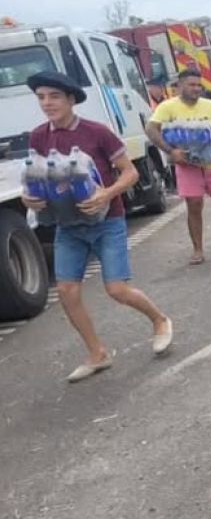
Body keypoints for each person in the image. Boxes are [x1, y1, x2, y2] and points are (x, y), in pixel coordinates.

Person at [22, 71, 173, 382]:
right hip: (68, 226)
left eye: (54, 96)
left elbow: (129, 173)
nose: (47, 103)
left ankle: (159, 320)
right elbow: (38, 177)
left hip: (107, 221)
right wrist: (29, 198)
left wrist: (106, 193)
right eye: (41, 98)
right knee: (66, 291)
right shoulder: (38, 136)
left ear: (71, 99)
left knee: (117, 289)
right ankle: (97, 354)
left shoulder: (97, 132)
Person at [146, 69, 211, 264]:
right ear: (180, 86)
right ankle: (198, 249)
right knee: (194, 205)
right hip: (186, 165)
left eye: (198, 85)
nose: (196, 89)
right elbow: (151, 130)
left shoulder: (210, 106)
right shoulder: (167, 107)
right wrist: (171, 151)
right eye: (191, 85)